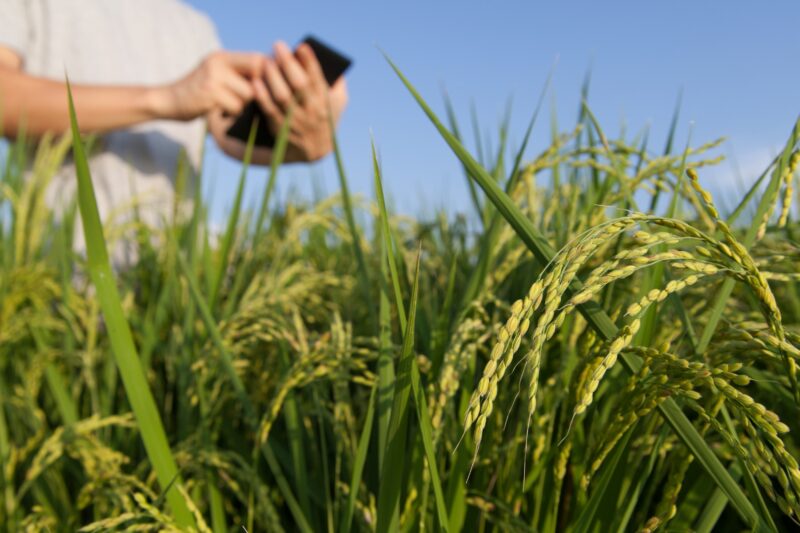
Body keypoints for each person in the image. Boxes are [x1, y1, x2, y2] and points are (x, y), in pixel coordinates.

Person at [0, 0, 348, 257]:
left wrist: (304, 138)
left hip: (172, 281)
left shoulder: (194, 25)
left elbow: (228, 133)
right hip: (59, 267)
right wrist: (165, 99)